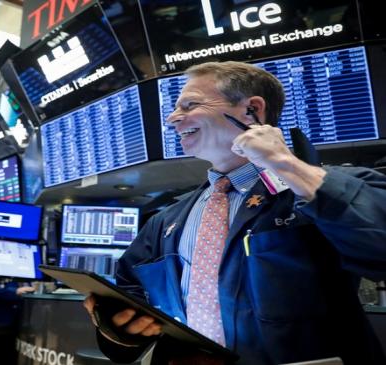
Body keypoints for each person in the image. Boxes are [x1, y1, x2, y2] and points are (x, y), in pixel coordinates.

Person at [83, 61, 386, 365]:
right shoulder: (167, 220)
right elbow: (128, 302)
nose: (173, 118)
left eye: (190, 104)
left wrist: (285, 163)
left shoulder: (316, 188)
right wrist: (117, 327)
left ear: (251, 109)